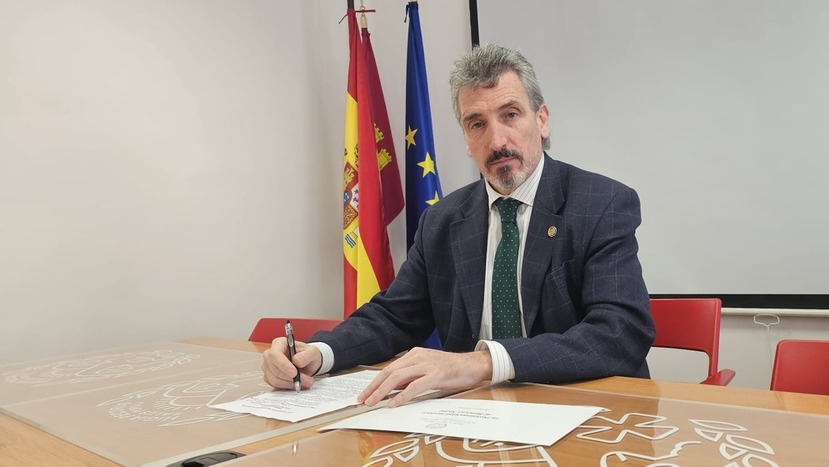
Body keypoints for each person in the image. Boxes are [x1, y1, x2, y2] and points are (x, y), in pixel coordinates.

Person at [261, 43, 654, 407]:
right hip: (473, 413)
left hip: (583, 409)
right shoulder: (444, 220)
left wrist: (484, 362)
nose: (497, 140)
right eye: (477, 124)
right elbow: (394, 316)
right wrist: (318, 354)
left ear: (543, 120)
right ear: (466, 139)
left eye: (510, 115)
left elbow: (620, 332)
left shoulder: (601, 203)